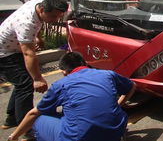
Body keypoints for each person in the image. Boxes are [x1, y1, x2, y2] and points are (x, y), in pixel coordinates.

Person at [7, 51, 136, 141]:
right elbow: (132, 86)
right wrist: (119, 104)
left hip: (79, 137)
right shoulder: (107, 74)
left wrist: (14, 136)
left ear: (63, 72)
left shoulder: (61, 84)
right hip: (116, 131)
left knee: (38, 119)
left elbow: (33, 114)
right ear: (84, 64)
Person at [0, 0, 68, 138]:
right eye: (53, 16)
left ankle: (11, 118)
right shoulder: (26, 23)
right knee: (26, 84)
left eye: (59, 16)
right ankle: (26, 128)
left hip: (14, 48)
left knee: (21, 83)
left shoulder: (38, 3)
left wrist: (39, 38)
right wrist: (37, 78)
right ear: (42, 9)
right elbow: (29, 54)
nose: (56, 20)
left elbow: (40, 24)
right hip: (5, 53)